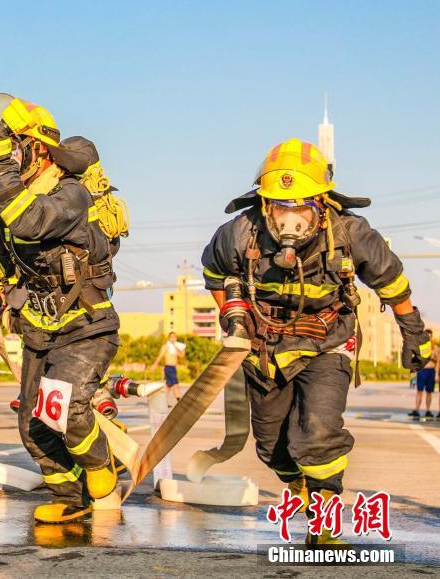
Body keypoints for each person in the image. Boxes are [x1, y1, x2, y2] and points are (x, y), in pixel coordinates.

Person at [202, 139, 433, 547]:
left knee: (317, 432)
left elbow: (392, 283)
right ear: (265, 205)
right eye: (280, 207)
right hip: (265, 347)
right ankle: (301, 487)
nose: (290, 219)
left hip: (329, 341)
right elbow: (214, 274)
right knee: (272, 447)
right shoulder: (239, 232)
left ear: (321, 204)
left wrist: (414, 331)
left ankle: (324, 524)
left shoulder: (351, 233)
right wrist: (231, 315)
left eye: (300, 207)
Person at [0, 95, 121, 525]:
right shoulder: (14, 204)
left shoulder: (71, 193)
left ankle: (101, 463)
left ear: (38, 150)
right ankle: (71, 497)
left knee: (66, 409)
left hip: (86, 326)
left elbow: (32, 221)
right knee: (34, 425)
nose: (7, 159)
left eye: (13, 148)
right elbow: (1, 255)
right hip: (39, 327)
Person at [410, 330, 438, 419]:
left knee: (429, 392)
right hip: (421, 371)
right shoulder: (419, 346)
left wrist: (436, 374)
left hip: (431, 371)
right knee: (419, 391)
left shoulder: (435, 348)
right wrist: (412, 376)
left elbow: (438, 362)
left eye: (430, 336)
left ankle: (428, 411)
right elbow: (413, 361)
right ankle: (416, 410)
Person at [152, 332, 185, 404]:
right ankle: (179, 401)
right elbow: (160, 356)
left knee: (168, 386)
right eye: (171, 337)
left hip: (173, 368)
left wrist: (176, 346)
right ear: (169, 338)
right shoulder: (166, 346)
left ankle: (163, 402)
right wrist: (155, 365)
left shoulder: (175, 347)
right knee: (176, 384)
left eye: (174, 337)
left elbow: (181, 356)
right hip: (168, 368)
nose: (173, 339)